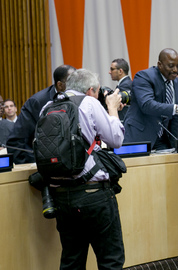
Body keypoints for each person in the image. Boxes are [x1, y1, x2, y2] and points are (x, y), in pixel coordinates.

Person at [45, 69, 125, 269]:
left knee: (72, 261)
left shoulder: (48, 106)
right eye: (97, 91)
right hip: (93, 194)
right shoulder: (89, 102)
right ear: (91, 90)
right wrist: (112, 109)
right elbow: (115, 139)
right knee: (110, 260)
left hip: (61, 196)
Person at [123, 48, 178, 150]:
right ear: (159, 64)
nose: (175, 70)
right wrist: (177, 109)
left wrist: (174, 144)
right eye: (171, 66)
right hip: (140, 136)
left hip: (163, 140)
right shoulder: (144, 77)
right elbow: (147, 105)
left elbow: (175, 118)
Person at [7, 65, 76, 164]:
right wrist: (30, 167)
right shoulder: (37, 102)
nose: (77, 85)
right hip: (44, 166)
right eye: (72, 82)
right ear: (60, 85)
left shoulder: (80, 98)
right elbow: (16, 141)